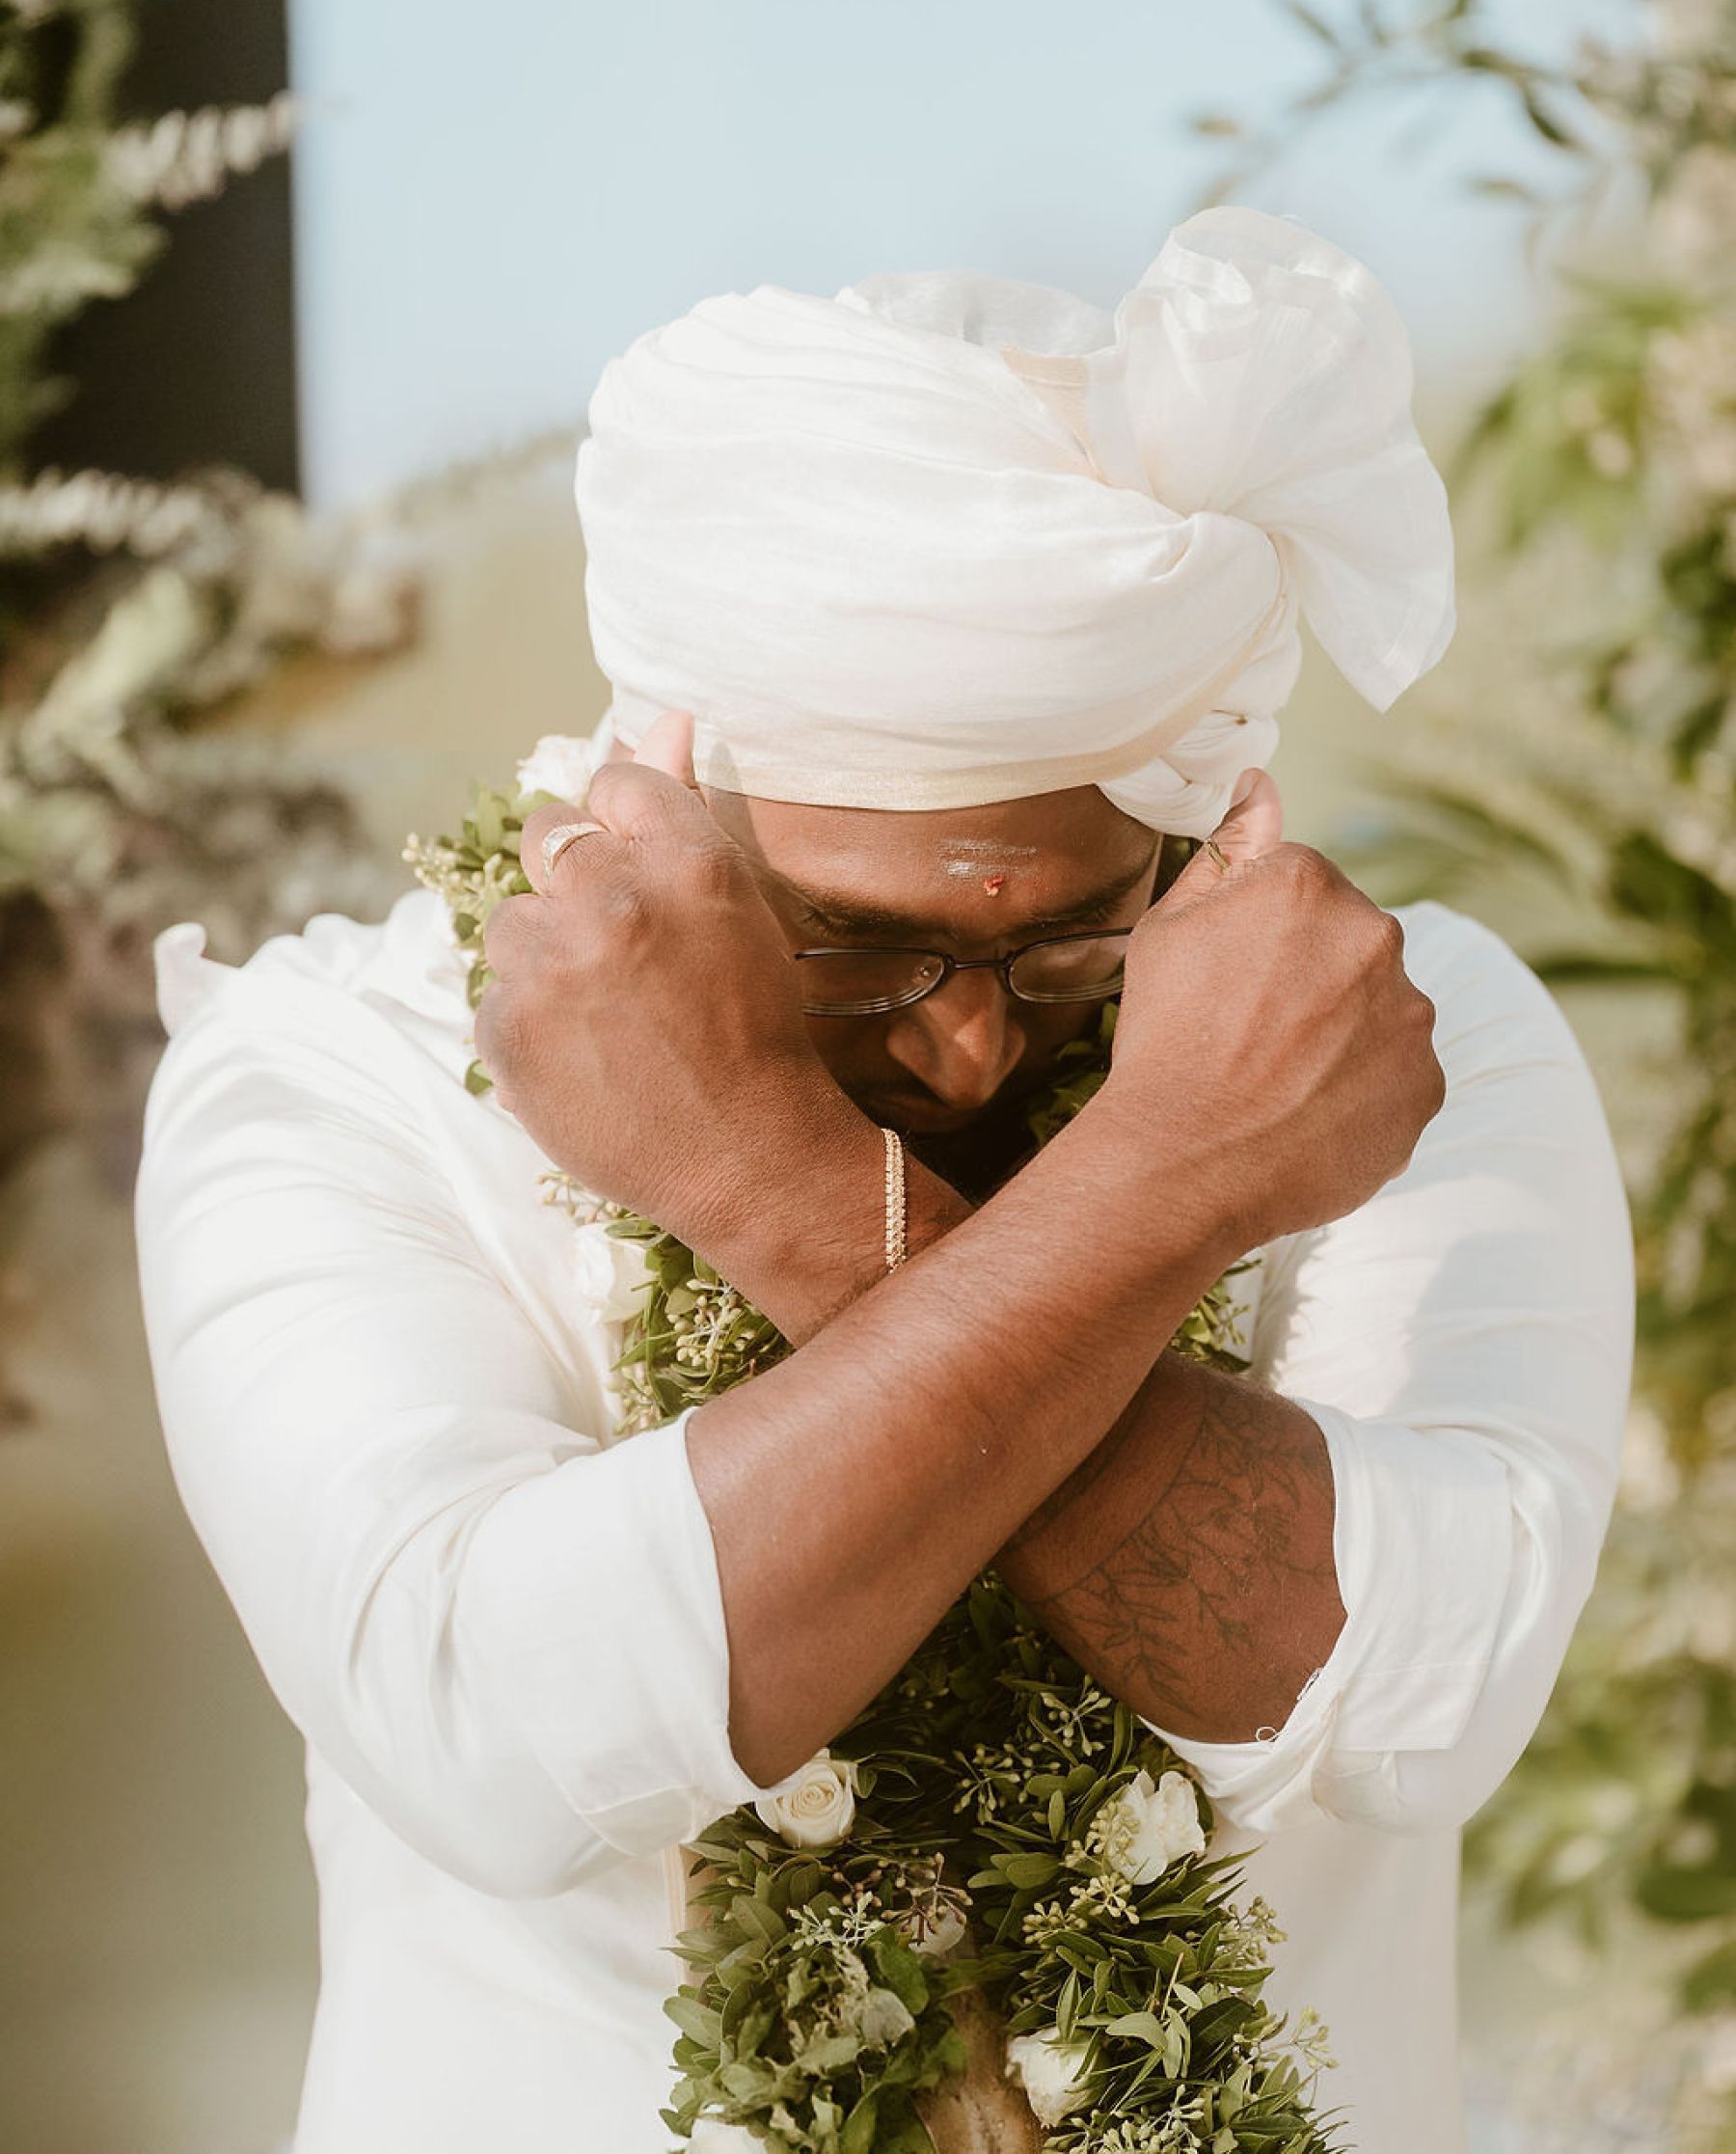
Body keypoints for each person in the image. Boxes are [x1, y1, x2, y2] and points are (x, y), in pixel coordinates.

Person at [134, 207, 1634, 2154]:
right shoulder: (344, 1066)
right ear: (657, 815)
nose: (974, 1045)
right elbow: (492, 1725)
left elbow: (1415, 1700)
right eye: (859, 947)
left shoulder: (1385, 1038)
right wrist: (1159, 1194)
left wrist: (785, 1178)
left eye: (1071, 944)